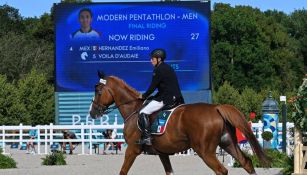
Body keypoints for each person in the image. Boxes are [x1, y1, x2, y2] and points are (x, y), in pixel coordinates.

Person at [136, 48, 184, 146]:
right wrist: (153, 97)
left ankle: (147, 137)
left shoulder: (158, 70)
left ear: (159, 59)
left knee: (143, 112)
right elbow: (165, 87)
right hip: (177, 98)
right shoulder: (168, 67)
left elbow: (152, 87)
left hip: (167, 99)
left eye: (152, 59)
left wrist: (144, 96)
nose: (151, 60)